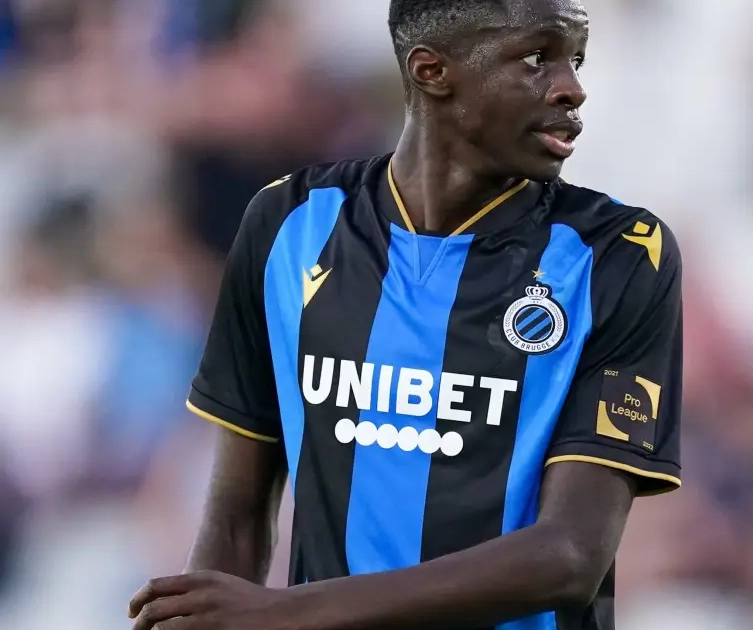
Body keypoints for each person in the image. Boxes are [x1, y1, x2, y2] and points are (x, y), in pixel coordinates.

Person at [127, 0, 683, 628]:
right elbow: (236, 518)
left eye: (575, 60)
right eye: (537, 58)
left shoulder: (617, 254)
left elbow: (571, 556)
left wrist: (284, 613)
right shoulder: (289, 224)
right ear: (432, 71)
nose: (572, 88)